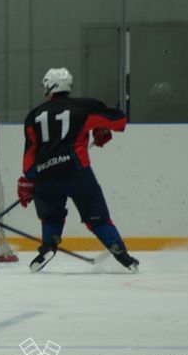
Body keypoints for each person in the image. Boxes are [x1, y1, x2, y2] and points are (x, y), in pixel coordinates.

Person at [17, 67, 139, 273]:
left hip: (45, 175)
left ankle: (48, 246)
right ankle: (119, 250)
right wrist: (102, 128)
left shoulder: (33, 115)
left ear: (49, 87)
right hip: (76, 170)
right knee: (97, 218)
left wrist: (28, 179)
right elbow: (119, 120)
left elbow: (30, 153)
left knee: (51, 216)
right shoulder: (84, 107)